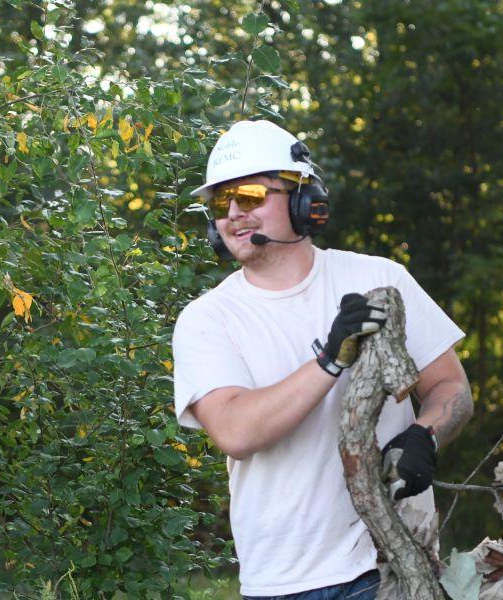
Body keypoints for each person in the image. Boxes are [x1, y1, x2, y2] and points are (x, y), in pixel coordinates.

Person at [172, 120, 473, 599]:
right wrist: (330, 359)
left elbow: (451, 387)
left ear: (303, 200)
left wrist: (426, 436)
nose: (232, 214)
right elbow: (235, 431)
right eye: (219, 203)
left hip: (395, 563)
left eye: (248, 195)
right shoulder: (207, 319)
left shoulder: (380, 277)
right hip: (286, 581)